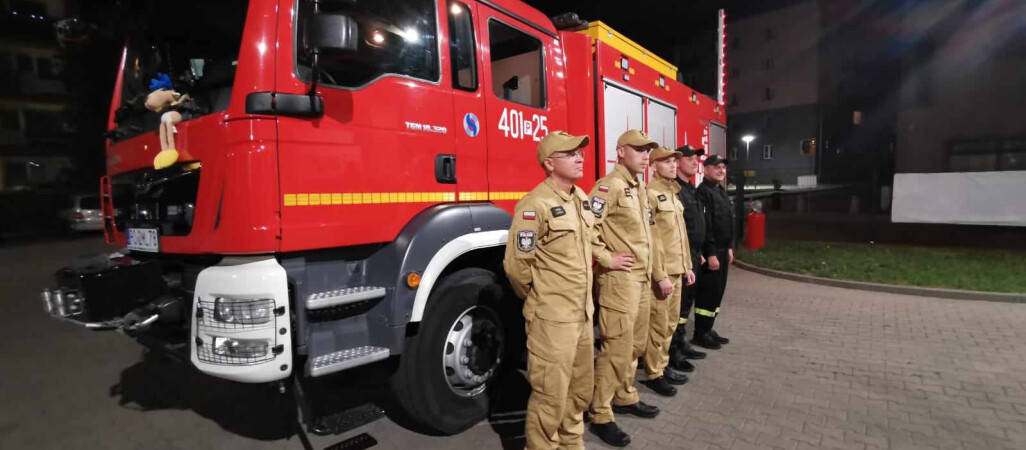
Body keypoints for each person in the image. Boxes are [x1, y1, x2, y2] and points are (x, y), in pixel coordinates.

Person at [504, 131, 632, 450]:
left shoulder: (581, 198)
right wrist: (539, 298)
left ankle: (572, 443)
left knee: (578, 391)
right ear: (549, 163)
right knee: (550, 396)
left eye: (581, 153)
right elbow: (517, 266)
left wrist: (605, 258)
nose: (580, 158)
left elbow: (590, 241)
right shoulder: (535, 204)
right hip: (552, 318)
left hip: (582, 315)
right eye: (570, 153)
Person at [587, 129, 658, 448]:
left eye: (648, 150)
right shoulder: (608, 186)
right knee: (616, 346)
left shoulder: (639, 186)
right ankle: (601, 413)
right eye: (640, 149)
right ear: (621, 151)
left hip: (641, 278)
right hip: (620, 281)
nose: (646, 155)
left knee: (635, 344)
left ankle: (625, 395)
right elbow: (586, 227)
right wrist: (605, 257)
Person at [639, 146, 697, 397]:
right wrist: (660, 274)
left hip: (677, 269)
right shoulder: (650, 194)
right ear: (653, 167)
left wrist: (687, 266)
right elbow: (652, 240)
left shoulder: (673, 194)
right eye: (666, 162)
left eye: (674, 161)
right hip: (663, 273)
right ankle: (654, 373)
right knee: (659, 325)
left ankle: (662, 365)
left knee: (670, 323)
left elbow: (680, 235)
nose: (673, 165)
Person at [668, 145, 710, 371]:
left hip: (693, 254)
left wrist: (698, 253)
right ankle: (672, 351)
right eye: (690, 158)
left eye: (697, 159)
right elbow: (676, 229)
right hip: (680, 256)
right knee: (677, 307)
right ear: (678, 162)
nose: (695, 162)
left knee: (685, 307)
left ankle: (680, 343)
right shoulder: (675, 190)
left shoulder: (690, 188)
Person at [692, 154, 735, 350]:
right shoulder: (704, 192)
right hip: (713, 252)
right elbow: (706, 226)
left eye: (723, 168)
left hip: (722, 250)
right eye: (716, 167)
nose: (721, 171)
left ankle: (709, 329)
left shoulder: (720, 191)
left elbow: (728, 221)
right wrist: (710, 253)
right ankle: (701, 333)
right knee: (707, 294)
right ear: (706, 169)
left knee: (718, 292)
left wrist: (729, 248)